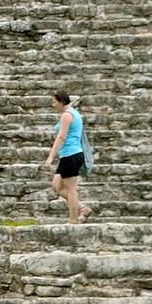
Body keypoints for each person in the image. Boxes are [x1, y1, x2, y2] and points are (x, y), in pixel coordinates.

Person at [45, 89, 90, 223]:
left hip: (71, 154)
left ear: (61, 101)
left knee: (71, 189)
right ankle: (83, 208)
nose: (53, 105)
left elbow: (61, 137)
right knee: (56, 185)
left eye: (54, 102)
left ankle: (73, 219)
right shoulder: (72, 114)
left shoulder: (67, 115)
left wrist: (50, 157)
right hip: (67, 155)